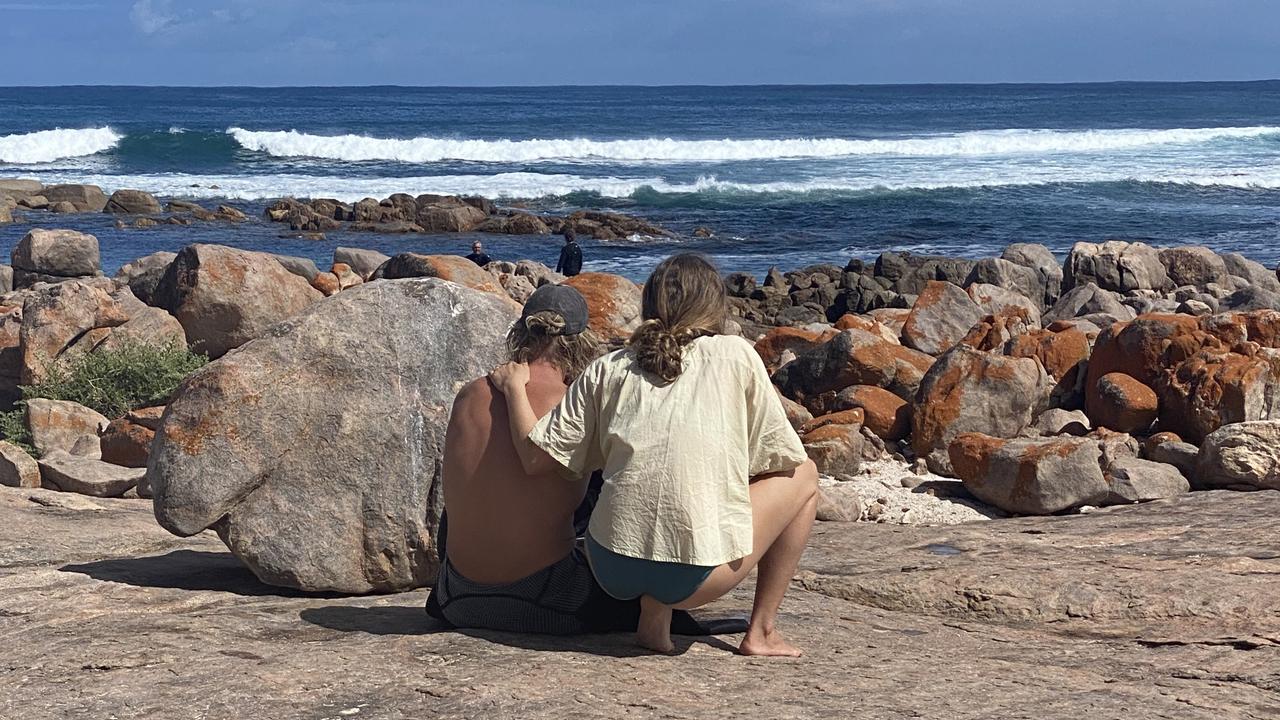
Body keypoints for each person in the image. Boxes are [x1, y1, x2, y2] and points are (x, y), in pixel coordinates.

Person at [489, 253, 819, 657]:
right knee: (805, 474)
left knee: (654, 493)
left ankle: (654, 614)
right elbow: (779, 457)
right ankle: (762, 631)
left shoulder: (608, 367)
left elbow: (535, 458)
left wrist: (513, 391)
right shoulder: (735, 354)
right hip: (695, 577)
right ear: (712, 307)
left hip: (609, 565)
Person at [427, 284, 729, 637]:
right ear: (582, 342)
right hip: (542, 602)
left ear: (521, 333)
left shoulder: (468, 395)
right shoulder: (576, 403)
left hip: (456, 599)